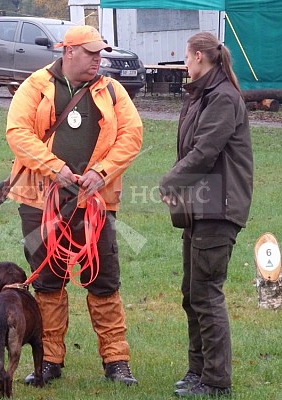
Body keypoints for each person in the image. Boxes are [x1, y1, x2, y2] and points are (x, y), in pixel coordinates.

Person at [5, 25, 143, 385]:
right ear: (68, 52)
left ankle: (117, 362)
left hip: (96, 201)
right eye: (91, 53)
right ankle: (50, 360)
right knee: (49, 281)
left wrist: (102, 171)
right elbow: (17, 133)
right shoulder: (35, 86)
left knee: (104, 280)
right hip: (40, 200)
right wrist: (57, 169)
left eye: (101, 54)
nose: (99, 59)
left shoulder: (112, 90)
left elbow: (132, 135)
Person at [159, 32, 253, 398]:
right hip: (201, 207)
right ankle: (197, 372)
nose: (184, 63)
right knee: (192, 292)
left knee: (207, 295)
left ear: (199, 56)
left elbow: (204, 153)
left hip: (219, 209)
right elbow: (191, 150)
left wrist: (169, 182)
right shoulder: (202, 95)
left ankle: (216, 382)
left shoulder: (223, 98)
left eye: (186, 57)